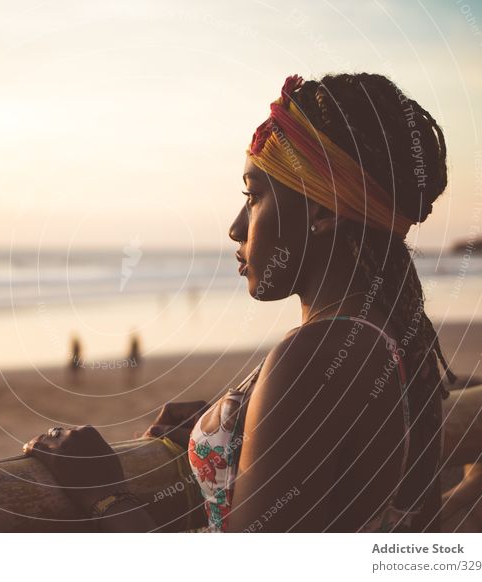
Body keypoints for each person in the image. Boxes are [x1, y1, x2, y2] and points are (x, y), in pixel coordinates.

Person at [22, 73, 456, 533]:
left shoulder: (315, 358)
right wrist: (235, 431)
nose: (235, 227)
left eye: (253, 196)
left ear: (324, 212)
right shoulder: (385, 332)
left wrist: (104, 493)